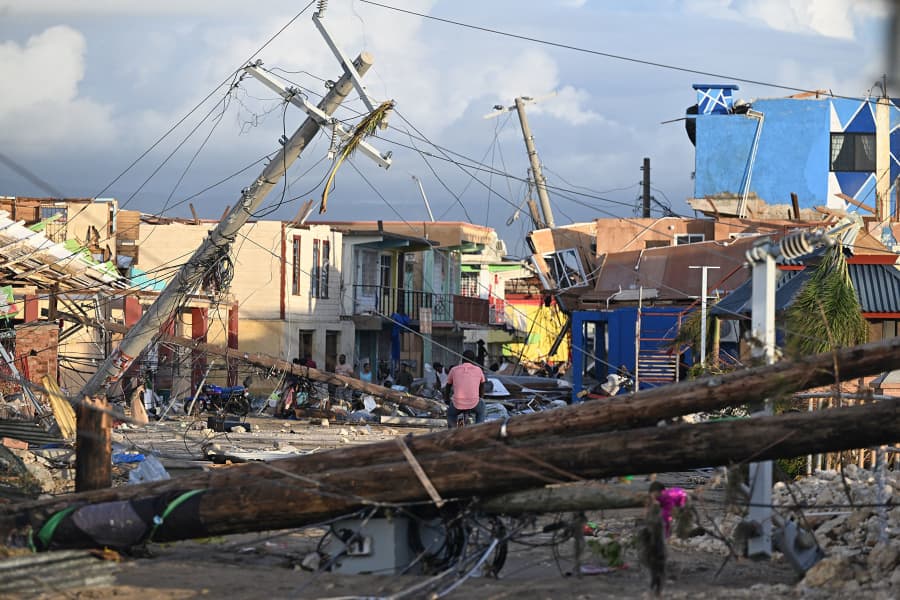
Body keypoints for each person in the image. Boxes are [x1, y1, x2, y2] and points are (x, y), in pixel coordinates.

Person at [443, 350, 485, 428]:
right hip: (474, 403)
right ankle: (479, 429)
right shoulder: (478, 370)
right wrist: (480, 397)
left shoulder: (454, 369)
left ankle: (451, 433)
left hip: (457, 404)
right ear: (474, 360)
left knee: (451, 414)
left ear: (462, 359)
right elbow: (482, 385)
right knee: (481, 411)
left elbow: (448, 386)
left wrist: (447, 399)